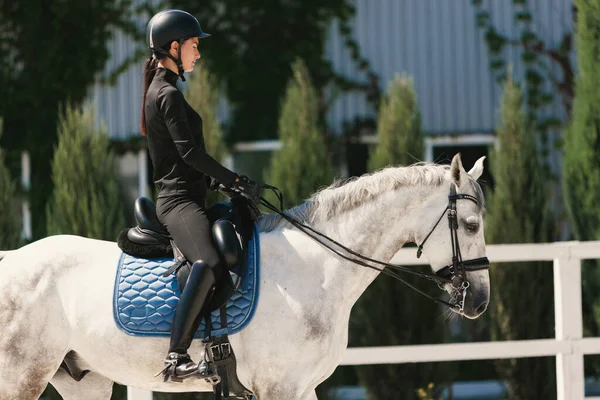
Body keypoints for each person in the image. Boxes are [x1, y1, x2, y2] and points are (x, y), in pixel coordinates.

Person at [141, 9, 261, 382]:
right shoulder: (166, 94)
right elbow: (190, 154)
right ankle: (176, 356)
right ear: (174, 47)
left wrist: (223, 186)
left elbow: (185, 161)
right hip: (177, 203)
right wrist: (235, 178)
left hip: (190, 195)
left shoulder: (166, 91)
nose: (198, 53)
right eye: (194, 46)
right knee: (207, 262)